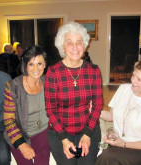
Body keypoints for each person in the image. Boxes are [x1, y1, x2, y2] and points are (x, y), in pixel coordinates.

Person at [44, 22, 103, 165]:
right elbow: (51, 110)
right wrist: (64, 140)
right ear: (62, 46)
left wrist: (88, 134)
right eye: (69, 43)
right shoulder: (53, 72)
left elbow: (98, 105)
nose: (75, 47)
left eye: (79, 42)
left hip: (88, 128)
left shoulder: (93, 70)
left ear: (85, 45)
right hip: (60, 132)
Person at [97, 57, 141, 165]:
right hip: (120, 142)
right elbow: (111, 116)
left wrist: (123, 144)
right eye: (133, 75)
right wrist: (92, 110)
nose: (133, 81)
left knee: (107, 158)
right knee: (95, 150)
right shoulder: (123, 89)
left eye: (139, 79)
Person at [4, 45, 50, 165]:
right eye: (31, 64)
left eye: (39, 63)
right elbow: (9, 121)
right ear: (25, 65)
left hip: (43, 133)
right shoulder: (13, 87)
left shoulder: (49, 82)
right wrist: (21, 144)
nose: (36, 68)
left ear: (45, 65)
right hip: (21, 133)